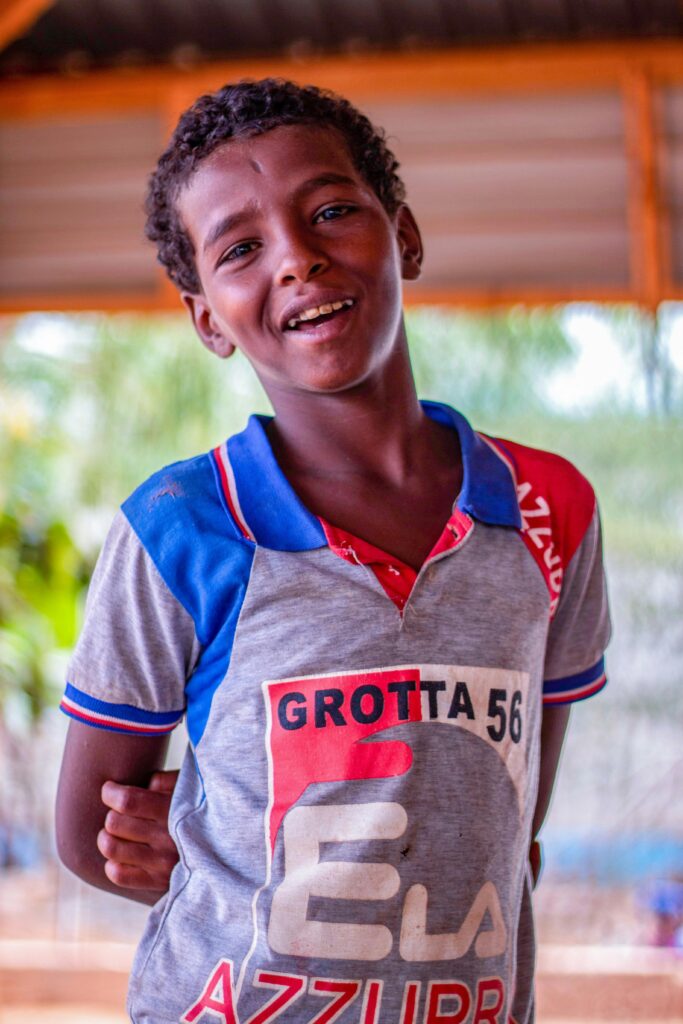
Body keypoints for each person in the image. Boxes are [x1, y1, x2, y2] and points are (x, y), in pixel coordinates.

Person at [55, 78, 611, 1024]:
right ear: (205, 319)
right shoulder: (180, 526)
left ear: (405, 235)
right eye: (240, 248)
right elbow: (89, 832)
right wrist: (223, 840)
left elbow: (506, 812)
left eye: (331, 211)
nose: (298, 260)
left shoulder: (546, 508)